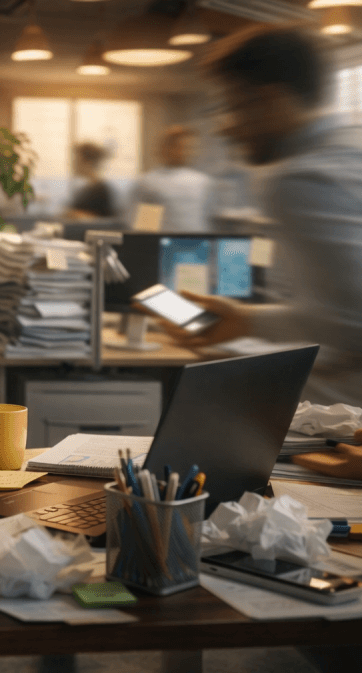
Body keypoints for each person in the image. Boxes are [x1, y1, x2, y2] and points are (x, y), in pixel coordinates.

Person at [159, 28, 362, 490]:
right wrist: (247, 319)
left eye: (233, 106)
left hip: (341, 430)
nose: (226, 127)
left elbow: (355, 318)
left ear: (268, 100)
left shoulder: (300, 178)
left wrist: (251, 322)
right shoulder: (351, 146)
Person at [127, 125, 214, 232]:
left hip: (199, 244)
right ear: (166, 148)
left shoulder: (202, 181)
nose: (187, 152)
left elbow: (209, 218)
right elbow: (146, 227)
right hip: (164, 244)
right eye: (181, 147)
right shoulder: (150, 182)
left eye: (191, 147)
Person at [68, 141, 116, 219]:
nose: (73, 164)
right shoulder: (87, 188)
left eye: (76, 160)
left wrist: (73, 214)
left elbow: (103, 219)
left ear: (87, 162)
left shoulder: (101, 190)